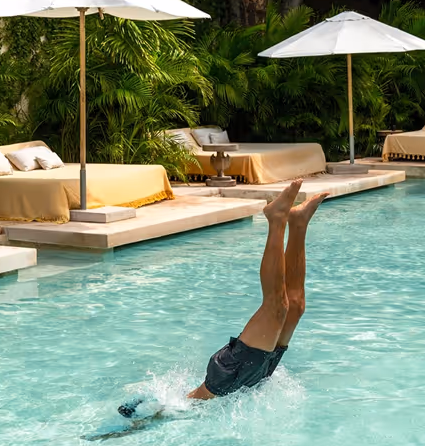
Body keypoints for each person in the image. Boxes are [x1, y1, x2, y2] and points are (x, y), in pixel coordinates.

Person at [118, 179, 327, 418]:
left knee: (276, 306)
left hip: (226, 379)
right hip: (253, 376)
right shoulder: (174, 411)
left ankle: (276, 218)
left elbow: (143, 418)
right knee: (295, 306)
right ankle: (298, 223)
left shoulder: (175, 409)